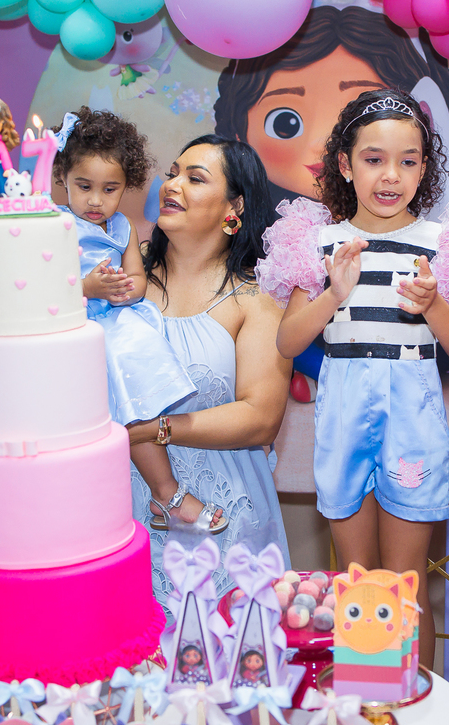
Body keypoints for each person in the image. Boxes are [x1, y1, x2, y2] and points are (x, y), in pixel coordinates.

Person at [255, 88, 449, 668]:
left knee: (404, 585)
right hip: (344, 413)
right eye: (374, 159)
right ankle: (366, 700)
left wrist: (433, 305)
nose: (391, 175)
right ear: (345, 165)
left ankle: (414, 703)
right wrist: (333, 294)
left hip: (412, 416)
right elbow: (288, 342)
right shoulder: (319, 243)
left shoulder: (445, 246)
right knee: (357, 584)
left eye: (408, 160)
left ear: (424, 168)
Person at [125, 135, 292, 608]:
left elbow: (261, 417)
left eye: (195, 178)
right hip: (124, 510)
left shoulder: (256, 298)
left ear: (233, 207)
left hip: (225, 514)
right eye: (173, 173)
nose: (172, 184)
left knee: (232, 644)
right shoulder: (122, 283)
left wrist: (154, 430)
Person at [49, 107, 221, 532]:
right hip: (68, 329)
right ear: (62, 179)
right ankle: (163, 494)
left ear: (125, 187)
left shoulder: (123, 226)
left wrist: (127, 289)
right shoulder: (52, 224)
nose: (96, 200)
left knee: (137, 403)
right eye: (84, 187)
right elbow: (36, 290)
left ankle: (164, 492)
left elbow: (138, 279)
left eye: (109, 189)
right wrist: (87, 287)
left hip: (115, 322)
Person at [213, 5, 449, 210]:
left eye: (358, 118)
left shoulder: (439, 235)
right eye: (285, 123)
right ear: (239, 131)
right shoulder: (249, 228)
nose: (323, 143)